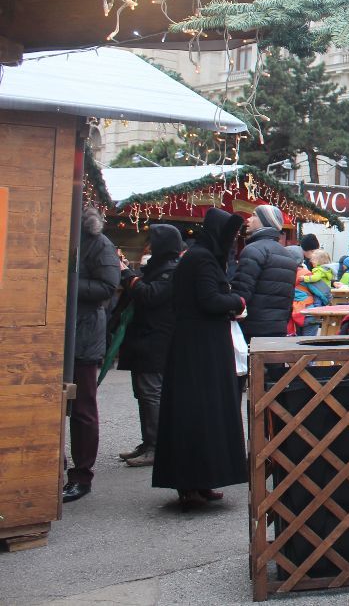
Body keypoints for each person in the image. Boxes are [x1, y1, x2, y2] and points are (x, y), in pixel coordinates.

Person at [153, 208, 248, 511]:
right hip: (199, 350)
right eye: (230, 236)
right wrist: (237, 301)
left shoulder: (198, 256)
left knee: (202, 415)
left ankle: (199, 481)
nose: (232, 242)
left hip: (197, 347)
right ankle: (191, 481)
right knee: (198, 414)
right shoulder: (203, 259)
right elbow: (210, 300)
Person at [64, 206, 121, 503]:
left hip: (84, 334)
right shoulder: (62, 234)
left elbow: (108, 286)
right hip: (58, 333)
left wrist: (67, 280)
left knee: (83, 409)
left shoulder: (99, 244)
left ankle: (82, 475)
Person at [115, 223, 183, 468]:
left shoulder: (171, 270)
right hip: (146, 339)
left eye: (153, 240)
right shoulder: (160, 267)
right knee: (144, 394)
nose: (149, 244)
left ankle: (155, 447)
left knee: (151, 394)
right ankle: (148, 443)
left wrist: (126, 273)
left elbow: (150, 295)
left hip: (155, 339)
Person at [230, 204, 296, 342]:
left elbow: (241, 291)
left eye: (254, 215)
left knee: (249, 364)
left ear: (265, 221)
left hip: (251, 328)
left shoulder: (253, 250)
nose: (248, 219)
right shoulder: (288, 255)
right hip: (278, 327)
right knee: (272, 363)